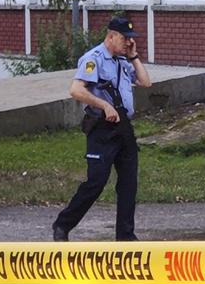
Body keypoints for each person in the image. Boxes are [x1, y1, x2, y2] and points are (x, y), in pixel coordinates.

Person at [52, 16, 152, 241]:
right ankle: (62, 224)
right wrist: (104, 104)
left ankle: (125, 236)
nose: (128, 42)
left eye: (130, 39)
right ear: (111, 36)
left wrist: (134, 56)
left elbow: (146, 82)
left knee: (128, 185)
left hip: (124, 129)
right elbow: (76, 90)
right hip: (101, 129)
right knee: (96, 182)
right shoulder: (93, 59)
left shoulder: (123, 61)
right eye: (125, 39)